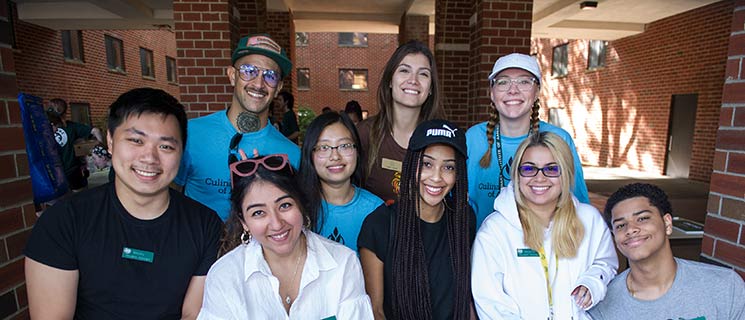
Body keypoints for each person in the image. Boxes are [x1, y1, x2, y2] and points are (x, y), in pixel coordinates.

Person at [24, 88, 223, 319]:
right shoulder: (63, 222)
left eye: (166, 146)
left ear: (181, 152)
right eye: (136, 140)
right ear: (110, 141)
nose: (149, 157)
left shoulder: (206, 226)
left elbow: (193, 315)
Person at [198, 154, 374, 319]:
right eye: (258, 212)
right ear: (244, 222)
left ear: (301, 205)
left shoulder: (343, 263)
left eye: (284, 205)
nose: (276, 224)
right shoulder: (225, 275)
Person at [471, 132, 617, 320]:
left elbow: (606, 263)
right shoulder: (494, 231)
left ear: (565, 174)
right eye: (529, 169)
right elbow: (490, 301)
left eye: (552, 169)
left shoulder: (589, 220)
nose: (539, 178)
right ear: (517, 174)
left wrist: (593, 283)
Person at [175, 34, 301, 221]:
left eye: (270, 76)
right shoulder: (190, 133)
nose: (259, 84)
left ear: (279, 87)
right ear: (232, 76)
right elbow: (170, 194)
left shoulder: (291, 155)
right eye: (249, 71)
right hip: (198, 247)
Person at [358, 119, 475, 320]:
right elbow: (375, 311)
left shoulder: (464, 220)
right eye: (427, 164)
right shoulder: (379, 225)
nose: (436, 177)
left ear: (459, 175)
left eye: (448, 167)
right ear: (412, 165)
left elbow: (467, 301)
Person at [466, 53, 589, 228]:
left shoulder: (559, 139)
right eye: (503, 82)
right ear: (492, 93)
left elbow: (578, 205)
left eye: (524, 81)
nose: (513, 90)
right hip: (482, 247)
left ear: (537, 91)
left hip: (546, 249)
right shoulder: (473, 138)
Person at [589, 183, 745, 319]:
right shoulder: (603, 303)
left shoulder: (725, 286)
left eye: (642, 218)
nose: (631, 229)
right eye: (620, 225)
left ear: (667, 224)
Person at [358, 40, 442, 204]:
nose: (413, 80)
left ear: (431, 88)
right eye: (404, 71)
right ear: (390, 80)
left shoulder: (441, 139)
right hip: (374, 229)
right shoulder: (364, 133)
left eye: (423, 74)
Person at [298, 112, 385, 253]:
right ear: (310, 154)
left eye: (344, 146)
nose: (335, 156)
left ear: (357, 151)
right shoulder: (297, 208)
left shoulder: (376, 210)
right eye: (324, 147)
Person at [46, 98, 103, 191]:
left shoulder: (43, 129)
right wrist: (101, 149)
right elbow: (96, 131)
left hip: (54, 173)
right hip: (73, 171)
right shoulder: (71, 126)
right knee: (82, 199)